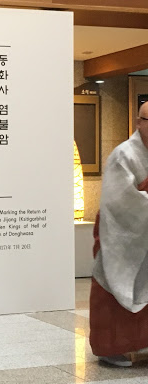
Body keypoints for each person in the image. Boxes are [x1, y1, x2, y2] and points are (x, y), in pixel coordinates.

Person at [90, 101, 148, 367]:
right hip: (121, 231)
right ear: (139, 122)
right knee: (112, 290)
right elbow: (120, 200)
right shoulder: (123, 154)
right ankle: (110, 347)